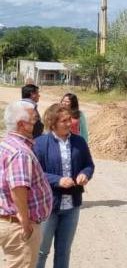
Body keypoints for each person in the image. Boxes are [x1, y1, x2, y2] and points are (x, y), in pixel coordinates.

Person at [34, 103, 95, 268]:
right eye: (64, 121)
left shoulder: (79, 141)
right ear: (53, 123)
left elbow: (89, 164)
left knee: (63, 251)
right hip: (48, 206)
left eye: (70, 119)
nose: (69, 123)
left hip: (71, 207)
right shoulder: (39, 143)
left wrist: (85, 174)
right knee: (41, 251)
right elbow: (35, 173)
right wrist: (58, 180)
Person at [0, 101, 53, 268]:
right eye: (34, 119)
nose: (37, 123)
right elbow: (18, 188)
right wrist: (24, 221)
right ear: (22, 124)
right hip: (18, 225)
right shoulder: (20, 152)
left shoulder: (7, 144)